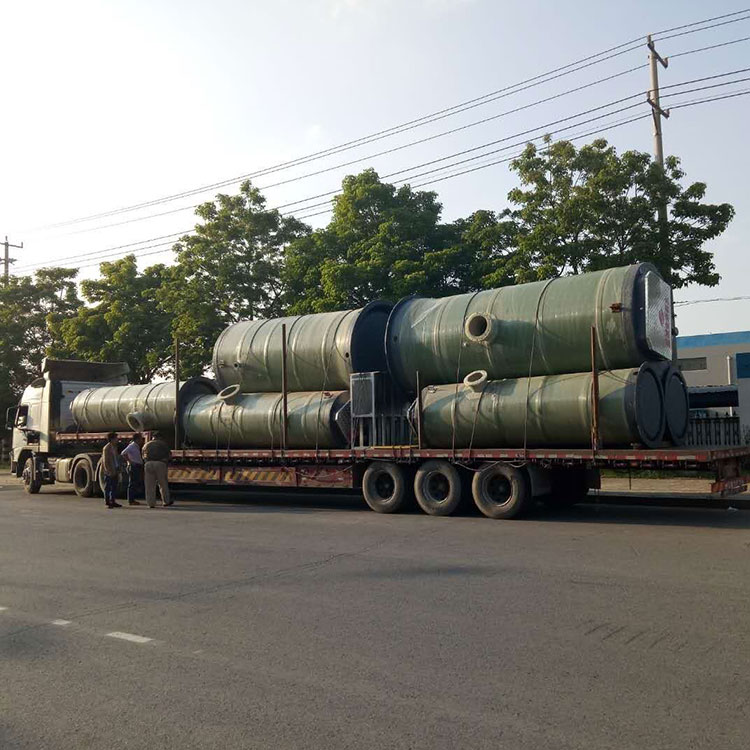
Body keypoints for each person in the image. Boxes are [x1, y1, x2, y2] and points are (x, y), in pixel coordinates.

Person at [142, 431, 172, 508]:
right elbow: (169, 455)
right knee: (163, 484)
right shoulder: (163, 444)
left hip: (148, 464)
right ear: (160, 437)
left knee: (149, 485)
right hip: (160, 463)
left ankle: (151, 503)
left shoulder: (146, 444)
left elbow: (143, 455)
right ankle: (166, 501)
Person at [120, 433, 145, 506]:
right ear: (137, 439)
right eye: (140, 438)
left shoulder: (136, 446)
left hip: (137, 466)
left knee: (135, 483)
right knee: (132, 483)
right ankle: (131, 500)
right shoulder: (132, 446)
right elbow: (123, 453)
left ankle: (132, 499)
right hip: (133, 466)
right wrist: (130, 461)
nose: (142, 440)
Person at [101, 432, 122, 509]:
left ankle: (112, 501)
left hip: (115, 468)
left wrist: (118, 467)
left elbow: (116, 458)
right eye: (116, 438)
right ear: (112, 439)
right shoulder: (106, 448)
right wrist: (108, 470)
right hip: (110, 470)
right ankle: (107, 502)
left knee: (114, 486)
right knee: (108, 487)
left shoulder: (114, 447)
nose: (117, 440)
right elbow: (105, 461)